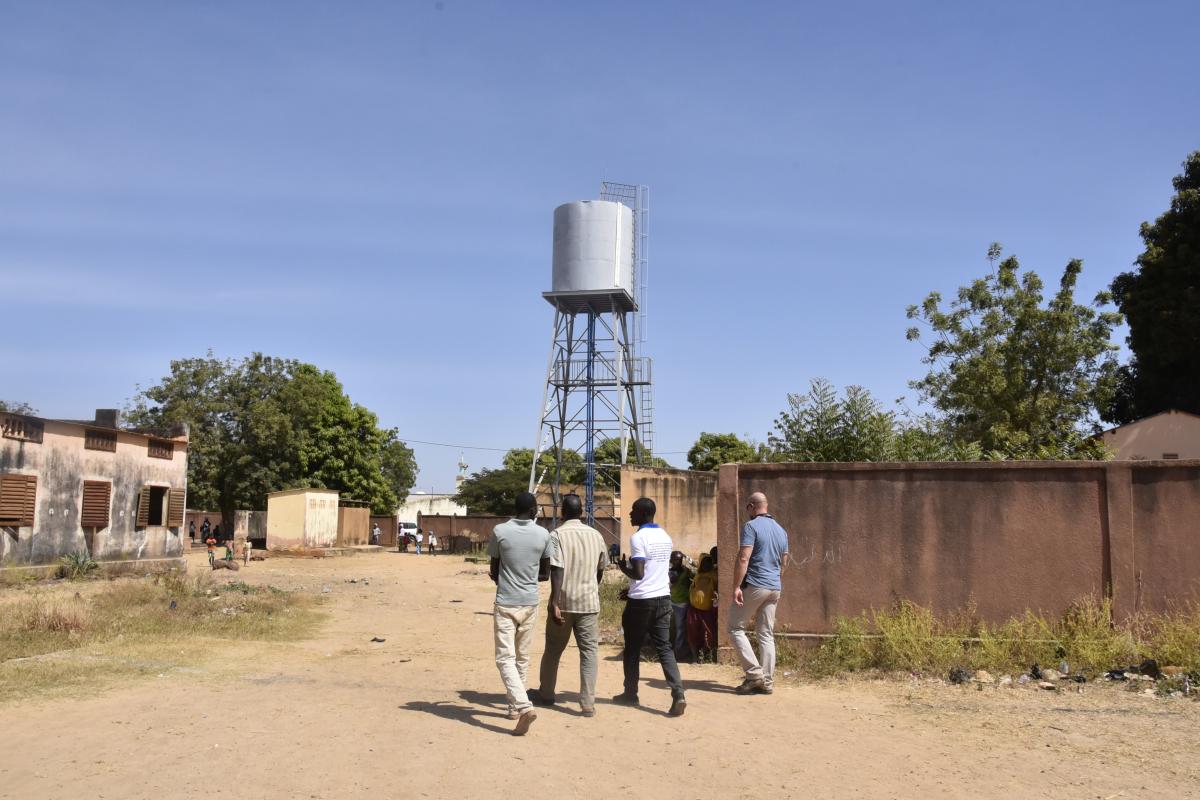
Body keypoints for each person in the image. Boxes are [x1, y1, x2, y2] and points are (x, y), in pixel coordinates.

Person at [527, 494, 607, 717]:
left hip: (563, 603)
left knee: (553, 650)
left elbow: (557, 569)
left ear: (562, 512)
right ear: (582, 511)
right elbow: (601, 568)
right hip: (588, 603)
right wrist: (592, 587)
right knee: (589, 652)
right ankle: (588, 703)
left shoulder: (557, 535)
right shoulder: (596, 535)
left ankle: (547, 694)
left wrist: (554, 602)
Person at [613, 497, 686, 717]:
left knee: (633, 649)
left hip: (642, 603)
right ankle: (678, 693)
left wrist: (622, 568)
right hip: (663, 598)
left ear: (644, 514)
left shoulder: (638, 538)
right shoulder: (665, 536)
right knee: (664, 648)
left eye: (633, 510)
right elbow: (654, 572)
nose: (629, 514)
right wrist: (632, 588)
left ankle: (630, 693)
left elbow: (639, 573)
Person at [488, 492, 552, 736]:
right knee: (522, 657)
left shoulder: (500, 531)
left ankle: (523, 706)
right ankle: (514, 707)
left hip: (506, 602)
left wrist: (508, 578)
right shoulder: (543, 534)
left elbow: (494, 570)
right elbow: (545, 574)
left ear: (515, 509)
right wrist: (528, 575)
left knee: (505, 658)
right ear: (534, 510)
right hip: (530, 602)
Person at [728, 491, 790, 695]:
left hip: (755, 584)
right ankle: (768, 682)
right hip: (775, 587)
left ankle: (754, 675)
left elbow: (744, 558)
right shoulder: (781, 530)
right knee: (765, 633)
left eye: (747, 508)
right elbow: (785, 561)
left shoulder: (751, 526)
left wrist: (737, 586)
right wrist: (775, 578)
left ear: (752, 506)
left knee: (735, 627)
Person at [687, 555, 719, 662]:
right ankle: (694, 657)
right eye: (704, 562)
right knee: (693, 633)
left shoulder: (715, 575)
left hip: (708, 611)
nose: (706, 565)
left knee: (709, 633)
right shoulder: (697, 575)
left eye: (708, 563)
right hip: (694, 609)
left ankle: (708, 655)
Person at [668, 551, 694, 662]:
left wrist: (689, 559)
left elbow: (697, 574)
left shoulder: (686, 571)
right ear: (671, 561)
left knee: (681, 628)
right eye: (675, 560)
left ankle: (678, 651)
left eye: (679, 559)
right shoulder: (669, 572)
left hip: (683, 603)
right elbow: (672, 580)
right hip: (672, 602)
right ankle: (673, 652)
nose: (677, 562)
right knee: (675, 628)